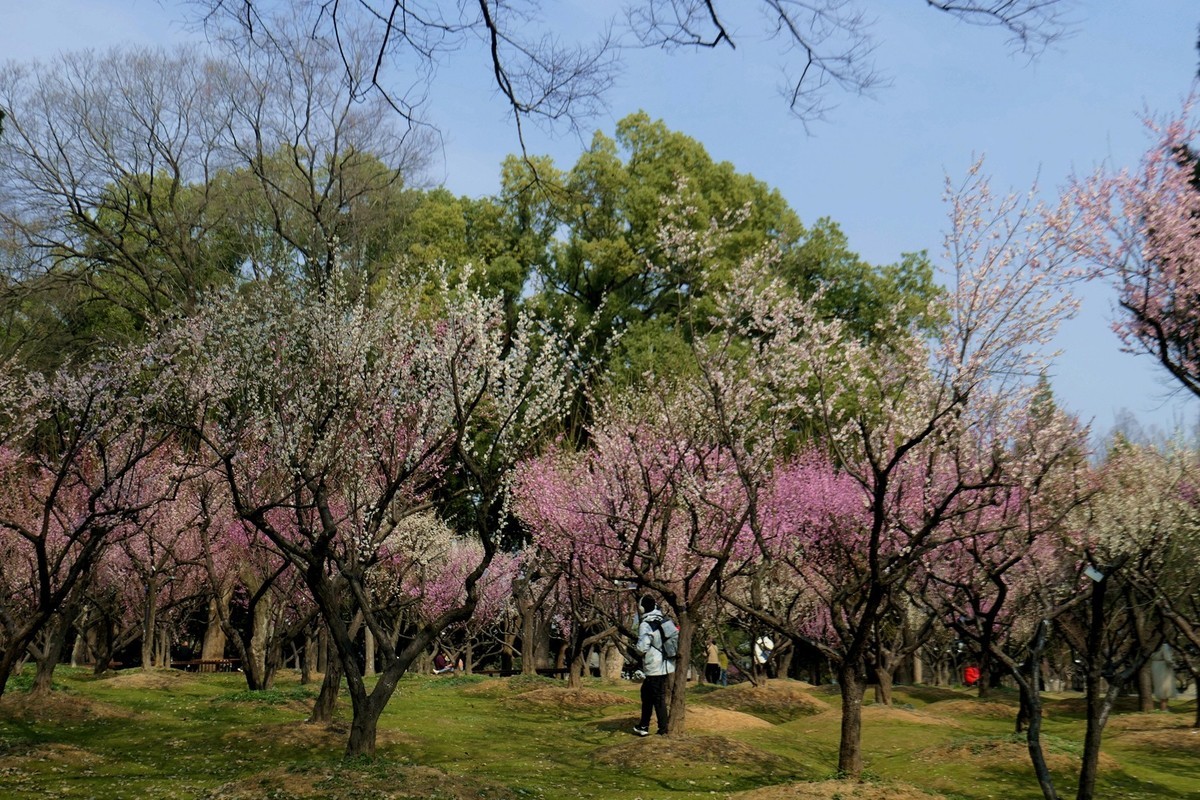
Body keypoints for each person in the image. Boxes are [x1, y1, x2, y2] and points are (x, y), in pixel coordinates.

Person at [633, 595, 675, 736]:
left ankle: (662, 729)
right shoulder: (663, 620)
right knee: (647, 694)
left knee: (657, 698)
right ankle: (643, 726)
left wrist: (636, 650)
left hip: (654, 666)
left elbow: (642, 647)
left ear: (642, 608)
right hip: (666, 664)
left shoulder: (646, 624)